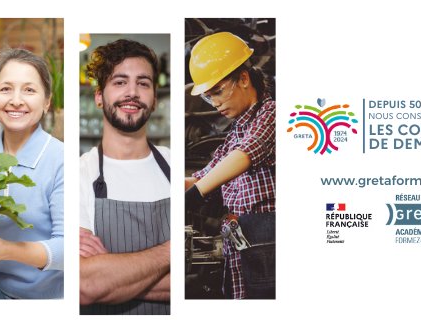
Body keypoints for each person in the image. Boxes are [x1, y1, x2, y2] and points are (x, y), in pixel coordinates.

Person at [78, 39, 171, 315]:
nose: (132, 92)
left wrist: (113, 274)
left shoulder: (175, 166)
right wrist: (172, 251)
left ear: (154, 98)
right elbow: (85, 285)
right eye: (120, 82)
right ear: (99, 96)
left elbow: (198, 276)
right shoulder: (79, 174)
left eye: (143, 83)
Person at [185, 31, 276, 299]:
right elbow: (204, 175)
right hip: (244, 240)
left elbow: (246, 154)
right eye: (209, 97)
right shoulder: (235, 132)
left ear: (244, 78)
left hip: (267, 236)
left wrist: (195, 193)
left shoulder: (272, 113)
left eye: (219, 91)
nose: (215, 103)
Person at [0, 48, 63, 299]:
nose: (16, 100)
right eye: (5, 89)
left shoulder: (61, 159)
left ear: (47, 102)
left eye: (29, 90)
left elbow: (70, 248)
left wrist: (5, 250)